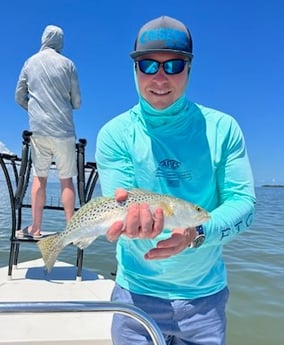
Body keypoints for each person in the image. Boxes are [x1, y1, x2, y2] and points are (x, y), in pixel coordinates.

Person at [95, 15, 256, 345]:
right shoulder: (114, 134)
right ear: (135, 68)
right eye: (148, 65)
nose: (160, 77)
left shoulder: (223, 129)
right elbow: (120, 203)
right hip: (135, 297)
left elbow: (244, 204)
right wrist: (132, 222)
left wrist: (197, 233)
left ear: (190, 69)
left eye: (174, 65)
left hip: (204, 303)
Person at [15, 24, 81, 238]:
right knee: (66, 181)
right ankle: (71, 229)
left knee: (39, 179)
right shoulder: (68, 64)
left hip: (39, 131)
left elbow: (19, 96)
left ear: (43, 38)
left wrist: (34, 109)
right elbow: (77, 102)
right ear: (60, 41)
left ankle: (35, 228)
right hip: (64, 131)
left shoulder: (29, 62)